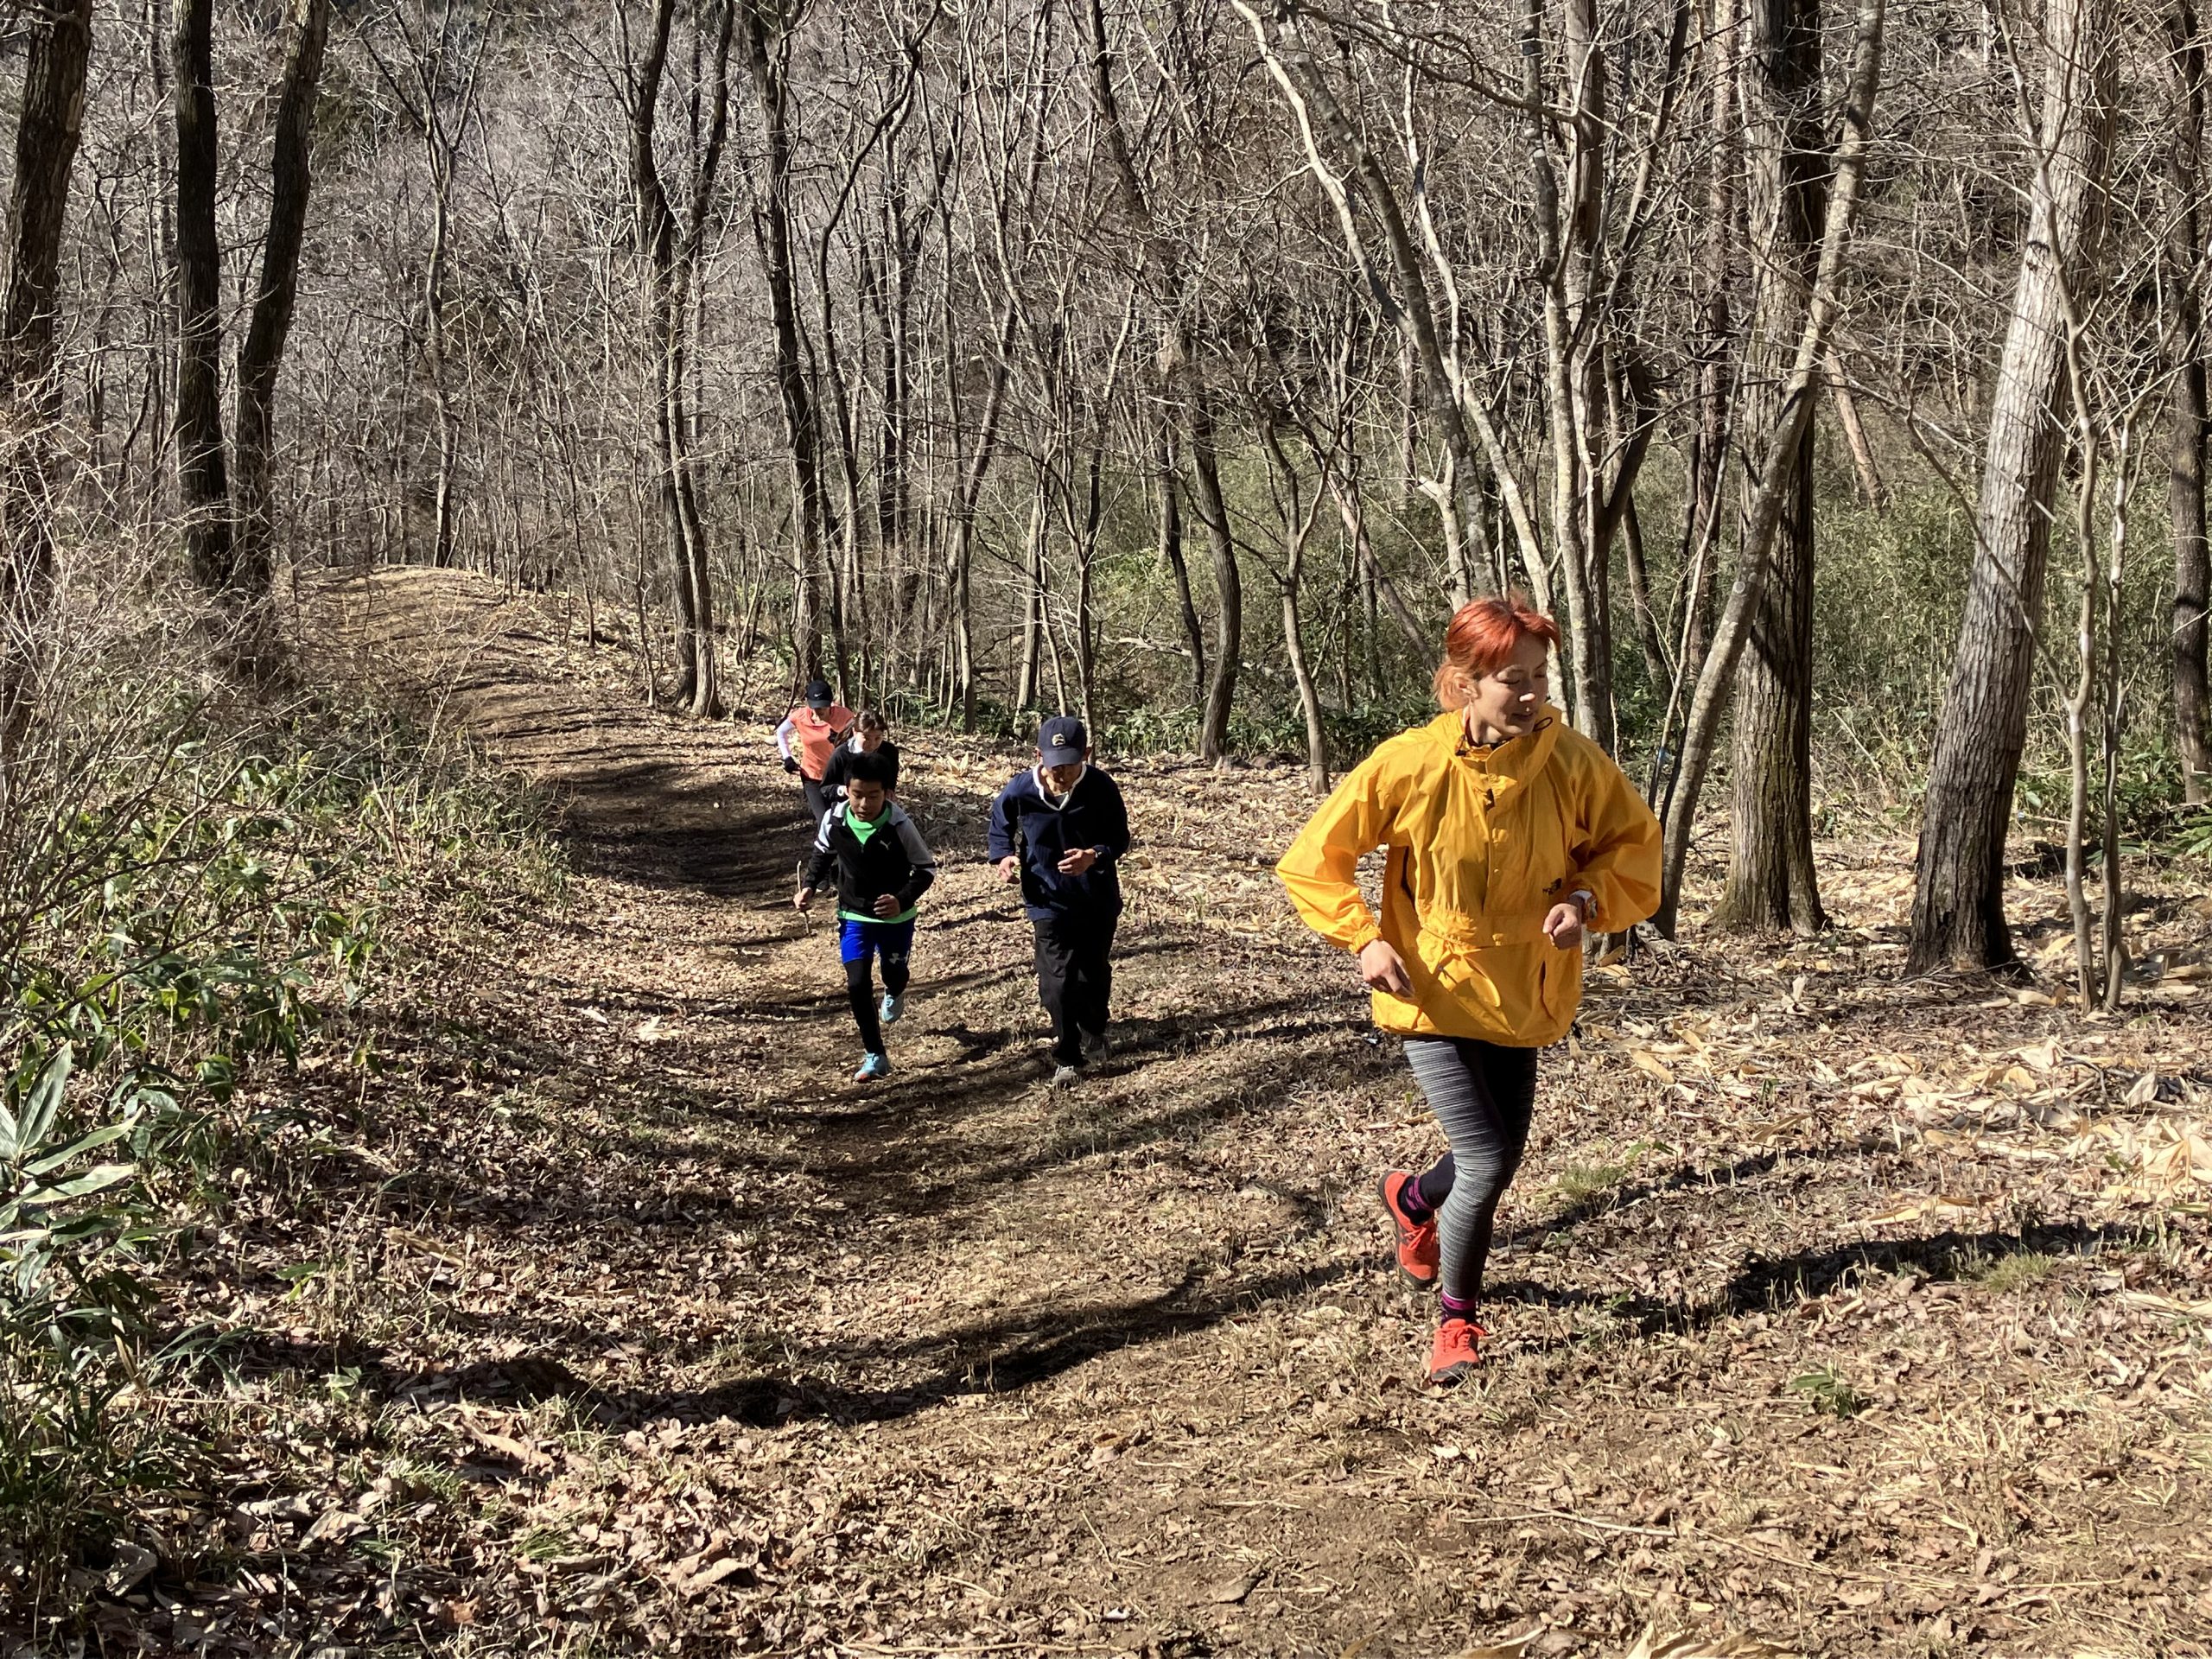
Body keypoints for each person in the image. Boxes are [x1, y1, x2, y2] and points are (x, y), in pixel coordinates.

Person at [1275, 595, 1661, 1386]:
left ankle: (1414, 1199)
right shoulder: (1409, 763)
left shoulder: (1572, 762)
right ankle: (1458, 1320)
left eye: (1540, 678)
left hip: (1525, 984)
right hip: (1430, 985)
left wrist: (1584, 903)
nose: (1532, 696)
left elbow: (1632, 847)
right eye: (1512, 681)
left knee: (1498, 1154)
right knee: (1486, 1159)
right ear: (1464, 682)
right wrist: (1364, 937)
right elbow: (1314, 858)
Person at [988, 716, 1131, 1087]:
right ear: (1038, 756)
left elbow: (1119, 838)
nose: (1061, 773)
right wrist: (1003, 855)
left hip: (1095, 897)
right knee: (1057, 981)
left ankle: (1095, 1027)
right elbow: (1000, 822)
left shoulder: (1100, 787)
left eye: (1069, 764)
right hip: (1045, 896)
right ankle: (1067, 1055)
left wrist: (1095, 855)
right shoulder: (1020, 789)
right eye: (1054, 765)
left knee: (1092, 973)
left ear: (1086, 755)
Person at [796, 750, 935, 1082]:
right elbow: (821, 854)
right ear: (847, 790)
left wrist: (901, 900)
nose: (863, 803)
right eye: (857, 794)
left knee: (894, 972)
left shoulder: (899, 824)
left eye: (873, 796)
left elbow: (926, 870)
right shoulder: (835, 819)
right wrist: (809, 887)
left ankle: (895, 990)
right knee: (857, 983)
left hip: (896, 920)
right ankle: (875, 1054)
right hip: (853, 914)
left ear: (887, 793)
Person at [775, 679, 855, 827]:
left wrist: (843, 740)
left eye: (822, 709)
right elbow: (780, 732)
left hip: (838, 777)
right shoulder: (800, 716)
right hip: (812, 777)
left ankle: (843, 849)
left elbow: (859, 740)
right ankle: (824, 850)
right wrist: (787, 758)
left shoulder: (844, 716)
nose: (818, 713)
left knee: (843, 819)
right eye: (815, 709)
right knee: (824, 821)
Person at [823, 710, 900, 802]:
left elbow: (890, 782)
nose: (872, 744)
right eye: (866, 738)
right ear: (855, 732)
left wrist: (889, 791)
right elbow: (825, 788)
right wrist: (843, 790)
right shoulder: (841, 754)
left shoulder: (890, 752)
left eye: (878, 738)